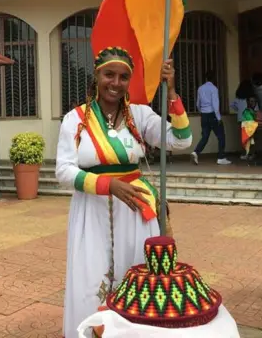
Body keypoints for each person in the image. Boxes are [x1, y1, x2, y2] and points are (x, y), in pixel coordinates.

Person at [56, 46, 193, 338]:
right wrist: (108, 185)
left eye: (123, 77)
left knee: (136, 281)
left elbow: (182, 141)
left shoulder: (140, 115)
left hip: (134, 215)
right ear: (96, 77)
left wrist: (172, 94)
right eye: (109, 75)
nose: (115, 83)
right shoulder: (75, 119)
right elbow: (64, 171)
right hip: (90, 215)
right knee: (91, 281)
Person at [191, 70, 230, 165]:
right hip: (213, 114)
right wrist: (219, 118)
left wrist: (202, 112)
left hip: (204, 115)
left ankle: (196, 152)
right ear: (214, 78)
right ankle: (221, 157)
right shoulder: (214, 89)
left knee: (205, 136)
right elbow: (215, 105)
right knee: (221, 136)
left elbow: (198, 104)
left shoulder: (200, 88)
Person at [240, 96, 262, 160]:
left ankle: (251, 154)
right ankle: (247, 154)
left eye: (254, 101)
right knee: (249, 141)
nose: (252, 103)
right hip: (248, 130)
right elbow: (251, 122)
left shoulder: (254, 111)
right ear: (248, 102)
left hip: (253, 129)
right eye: (251, 101)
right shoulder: (247, 111)